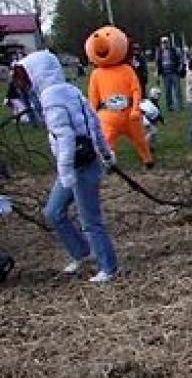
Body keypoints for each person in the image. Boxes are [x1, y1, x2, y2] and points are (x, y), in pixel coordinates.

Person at [12, 50, 118, 283]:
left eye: (25, 75)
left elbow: (66, 137)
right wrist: (106, 155)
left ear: (37, 73)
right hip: (75, 166)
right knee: (53, 212)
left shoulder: (52, 98)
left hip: (79, 166)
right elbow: (94, 123)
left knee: (90, 220)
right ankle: (82, 253)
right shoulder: (70, 90)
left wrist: (69, 172)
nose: (24, 81)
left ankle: (108, 268)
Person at [86, 25, 154, 168]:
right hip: (107, 114)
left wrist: (136, 108)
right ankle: (109, 162)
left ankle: (147, 158)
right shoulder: (96, 74)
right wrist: (92, 115)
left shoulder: (127, 70)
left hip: (129, 113)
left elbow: (136, 89)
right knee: (106, 140)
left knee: (140, 139)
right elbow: (93, 96)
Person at [154, 36, 184, 112]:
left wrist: (180, 66)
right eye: (163, 42)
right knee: (168, 91)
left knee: (177, 90)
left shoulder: (174, 50)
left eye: (166, 42)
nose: (165, 44)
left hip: (174, 72)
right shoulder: (159, 52)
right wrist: (157, 73)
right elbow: (157, 63)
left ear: (169, 42)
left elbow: (180, 58)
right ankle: (170, 106)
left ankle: (179, 105)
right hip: (165, 74)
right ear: (161, 43)